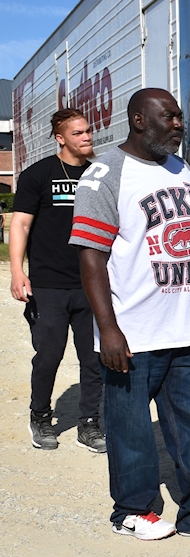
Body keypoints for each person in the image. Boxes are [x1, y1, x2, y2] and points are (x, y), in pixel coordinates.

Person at [71, 88, 190, 541]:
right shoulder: (105, 175)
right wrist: (107, 330)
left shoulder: (179, 166)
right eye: (168, 118)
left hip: (187, 329)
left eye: (180, 117)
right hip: (133, 332)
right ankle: (132, 511)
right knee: (130, 429)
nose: (178, 125)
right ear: (137, 120)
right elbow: (91, 258)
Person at [11, 107, 106, 453]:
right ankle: (40, 415)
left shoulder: (100, 175)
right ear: (60, 138)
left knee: (94, 357)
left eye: (88, 131)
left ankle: (89, 422)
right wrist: (18, 271)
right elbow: (20, 224)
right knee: (48, 356)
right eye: (78, 133)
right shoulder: (39, 174)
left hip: (92, 283)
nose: (87, 137)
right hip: (49, 284)